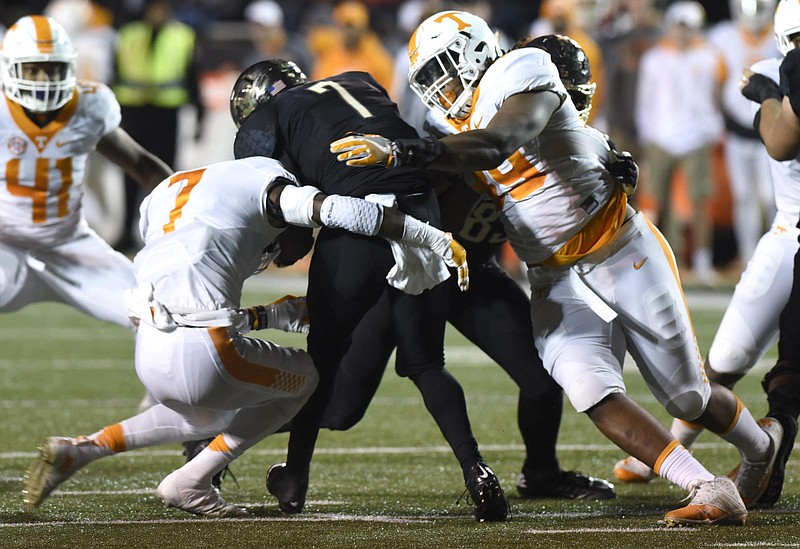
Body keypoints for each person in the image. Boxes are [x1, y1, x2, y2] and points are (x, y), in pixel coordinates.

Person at [330, 9, 783, 526]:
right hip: (551, 274)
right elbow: (448, 189)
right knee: (586, 385)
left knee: (687, 394)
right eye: (429, 79)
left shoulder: (521, 68)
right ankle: (706, 484)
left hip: (618, 248)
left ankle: (759, 447)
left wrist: (401, 152)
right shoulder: (443, 124)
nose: (442, 87)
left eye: (445, 68)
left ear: (477, 51)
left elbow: (498, 141)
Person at [22, 154, 468, 516]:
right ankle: (192, 480)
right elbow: (339, 211)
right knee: (308, 379)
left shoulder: (172, 192)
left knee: (210, 415)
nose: (279, 258)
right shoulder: (268, 184)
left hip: (150, 348)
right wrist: (426, 235)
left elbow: (191, 285)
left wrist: (267, 316)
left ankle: (81, 450)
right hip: (206, 350)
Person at [316, 34, 618, 502]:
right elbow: (468, 154)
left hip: (474, 273)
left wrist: (615, 166)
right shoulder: (466, 125)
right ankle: (221, 434)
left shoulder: (560, 137)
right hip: (409, 276)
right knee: (340, 410)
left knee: (542, 377)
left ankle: (541, 473)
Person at [230, 59, 507, 522]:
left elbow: (291, 223)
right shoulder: (358, 79)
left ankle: (295, 478)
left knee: (322, 359)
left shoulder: (266, 122)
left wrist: (275, 251)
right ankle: (477, 471)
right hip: (424, 214)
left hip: (362, 224)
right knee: (425, 363)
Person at [612, 2, 800, 509]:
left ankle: (759, 461)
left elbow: (778, 138)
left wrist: (766, 91)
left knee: (745, 365)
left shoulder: (775, 74)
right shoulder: (775, 69)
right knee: (728, 360)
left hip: (790, 236)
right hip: (788, 234)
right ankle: (682, 451)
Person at [0, 17, 170, 343]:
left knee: (160, 315)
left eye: (52, 70)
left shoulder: (88, 106)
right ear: (10, 68)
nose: (43, 80)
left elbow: (143, 165)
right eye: (33, 69)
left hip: (71, 247)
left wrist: (189, 207)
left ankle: (164, 396)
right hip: (6, 245)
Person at [635, 1, 725, 285]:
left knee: (700, 203)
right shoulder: (654, 58)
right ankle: (647, 261)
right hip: (661, 137)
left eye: (687, 27)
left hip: (697, 137)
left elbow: (716, 96)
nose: (682, 33)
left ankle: (701, 263)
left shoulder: (710, 56)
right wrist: (647, 136)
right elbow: (645, 101)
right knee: (652, 203)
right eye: (678, 26)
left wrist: (711, 128)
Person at [113, 0, 205, 254]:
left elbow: (192, 78)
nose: (157, 13)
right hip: (133, 113)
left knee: (163, 178)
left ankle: (162, 231)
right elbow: (115, 74)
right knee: (129, 177)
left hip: (165, 115)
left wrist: (199, 115)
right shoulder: (128, 34)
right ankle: (125, 233)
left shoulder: (182, 36)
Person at [709, 0, 779, 266]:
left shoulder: (779, 33)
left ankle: (774, 255)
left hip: (771, 130)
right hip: (737, 129)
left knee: (770, 197)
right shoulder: (724, 36)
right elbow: (713, 78)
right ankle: (750, 257)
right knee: (744, 197)